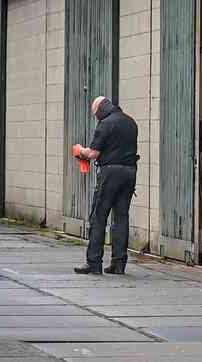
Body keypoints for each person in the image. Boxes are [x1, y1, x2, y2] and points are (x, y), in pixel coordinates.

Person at [73, 96, 138, 275]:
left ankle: (94, 262)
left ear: (100, 110)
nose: (96, 118)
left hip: (110, 173)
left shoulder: (105, 124)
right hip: (130, 172)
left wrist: (80, 151)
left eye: (96, 114)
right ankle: (119, 263)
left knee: (99, 216)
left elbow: (93, 153)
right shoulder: (131, 122)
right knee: (121, 218)